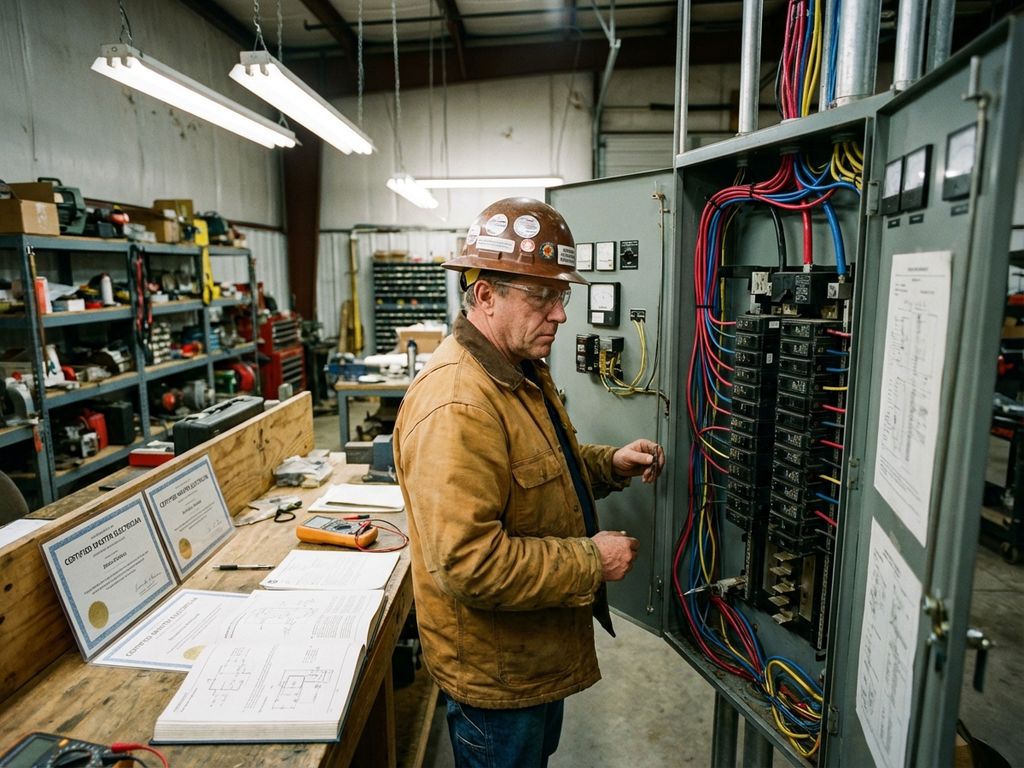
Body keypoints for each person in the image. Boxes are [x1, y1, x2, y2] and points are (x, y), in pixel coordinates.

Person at [393, 197, 665, 768]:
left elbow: (541, 472)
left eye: (560, 296)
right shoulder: (458, 403)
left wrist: (607, 463)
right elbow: (469, 564)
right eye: (541, 297)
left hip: (531, 659)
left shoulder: (516, 371)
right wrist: (590, 561)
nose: (560, 315)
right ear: (486, 295)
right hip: (499, 679)